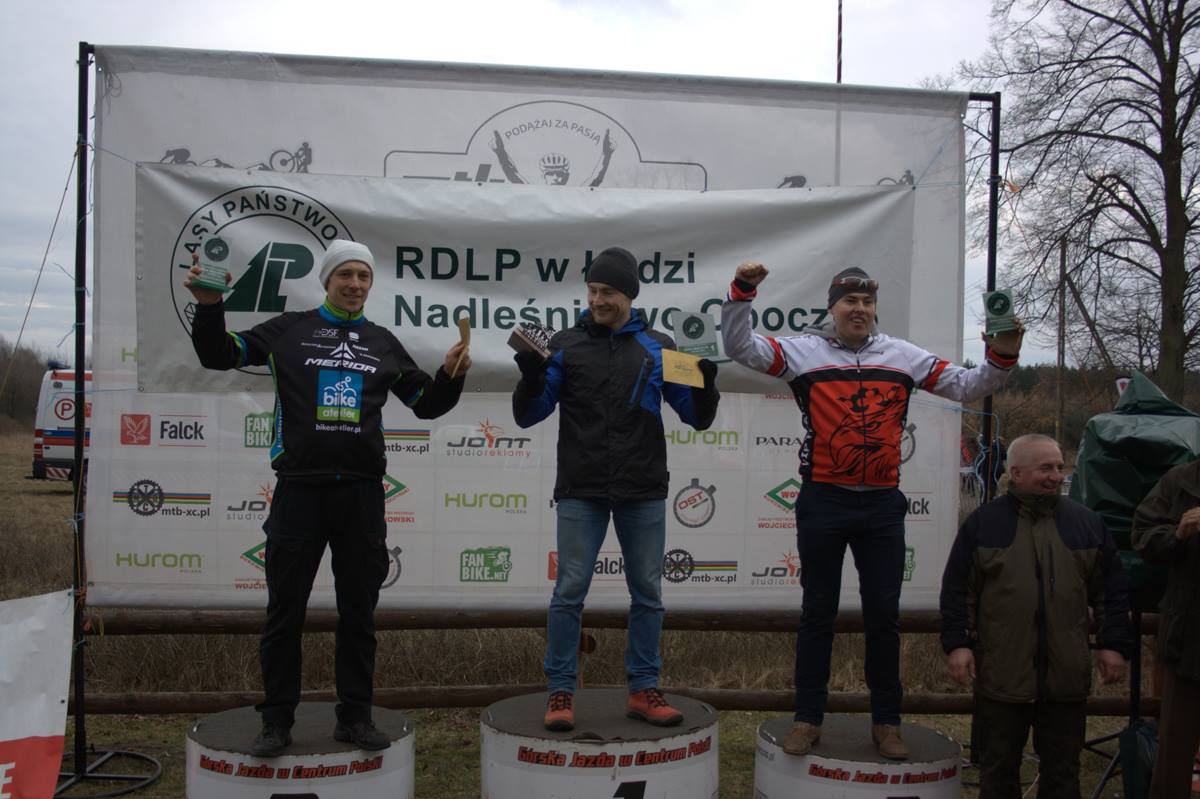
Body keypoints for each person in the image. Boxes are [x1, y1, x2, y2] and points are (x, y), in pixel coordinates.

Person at [721, 262, 1024, 760]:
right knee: (817, 613)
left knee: (883, 618)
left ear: (875, 309)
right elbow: (739, 346)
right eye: (850, 301)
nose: (859, 309)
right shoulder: (803, 352)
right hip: (823, 499)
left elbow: (969, 386)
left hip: (882, 503)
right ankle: (807, 718)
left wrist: (1004, 353)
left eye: (866, 302)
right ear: (833, 308)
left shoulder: (902, 355)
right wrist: (742, 291)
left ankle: (887, 722)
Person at [185, 239, 469, 757]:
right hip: (300, 491)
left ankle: (355, 718)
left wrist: (451, 375)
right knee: (284, 612)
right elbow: (219, 353)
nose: (355, 284)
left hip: (361, 496)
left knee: (359, 614)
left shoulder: (382, 341)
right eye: (346, 275)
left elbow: (426, 404)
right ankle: (276, 722)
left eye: (364, 276)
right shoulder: (290, 329)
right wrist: (209, 307)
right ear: (327, 280)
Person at [513, 246, 720, 731]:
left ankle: (644, 689)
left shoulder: (660, 346)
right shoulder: (565, 343)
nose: (597, 300)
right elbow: (529, 414)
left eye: (607, 291)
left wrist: (707, 384)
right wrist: (530, 379)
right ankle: (561, 691)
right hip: (581, 487)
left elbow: (697, 417)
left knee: (647, 592)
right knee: (569, 592)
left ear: (629, 295)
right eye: (591, 290)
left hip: (642, 488)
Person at [941, 434, 1132, 798]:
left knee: (1063, 775)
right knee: (998, 773)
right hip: (1002, 677)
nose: (1056, 476)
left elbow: (1112, 591)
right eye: (1046, 468)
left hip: (1066, 679)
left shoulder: (1087, 523)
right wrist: (958, 643)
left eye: (1059, 467)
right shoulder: (984, 524)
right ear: (1016, 472)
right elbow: (957, 591)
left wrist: (1114, 645)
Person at [1132, 459, 1200, 799]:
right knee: (1176, 743)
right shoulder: (1180, 480)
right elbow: (1142, 537)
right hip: (1189, 636)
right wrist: (1178, 532)